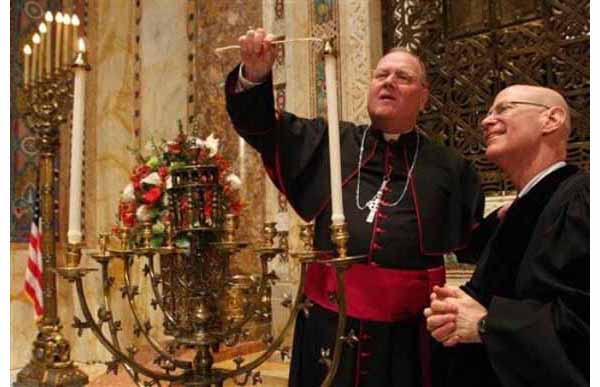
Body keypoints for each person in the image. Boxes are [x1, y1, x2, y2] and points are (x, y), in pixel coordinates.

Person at [225, 28, 484, 387]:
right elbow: (260, 127)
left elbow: (473, 241)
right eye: (381, 74)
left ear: (423, 98)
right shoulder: (330, 141)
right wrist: (254, 75)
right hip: (330, 324)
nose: (389, 82)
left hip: (407, 337)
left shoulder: (451, 168)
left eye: (403, 77)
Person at [424, 85, 589, 387]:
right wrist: (453, 314)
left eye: (503, 109)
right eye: (488, 113)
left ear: (551, 119)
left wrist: (488, 325)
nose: (486, 121)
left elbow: (585, 320)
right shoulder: (525, 206)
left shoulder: (581, 201)